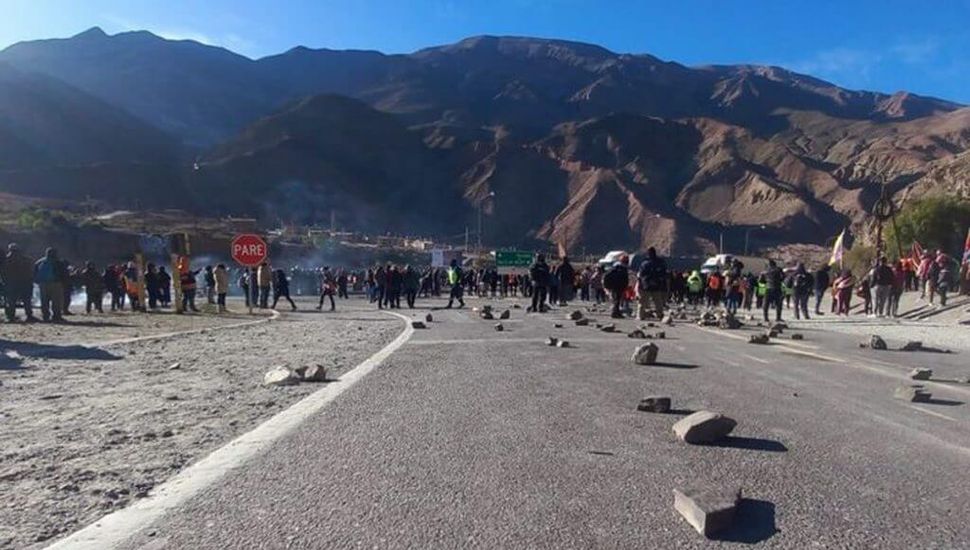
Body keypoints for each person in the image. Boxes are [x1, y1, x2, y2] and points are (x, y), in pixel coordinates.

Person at [1, 243, 35, 322]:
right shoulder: (26, 259)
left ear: (10, 250)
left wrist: (4, 281)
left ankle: (11, 316)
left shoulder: (6, 260)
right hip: (24, 283)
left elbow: (3, 272)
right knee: (26, 300)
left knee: (11, 301)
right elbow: (30, 271)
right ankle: (29, 315)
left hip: (11, 283)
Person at [635, 247, 668, 320]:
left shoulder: (644, 263)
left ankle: (640, 315)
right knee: (658, 301)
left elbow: (641, 274)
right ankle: (660, 315)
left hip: (646, 285)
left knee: (642, 302)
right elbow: (664, 274)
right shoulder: (660, 262)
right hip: (657, 284)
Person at [34, 247, 64, 322]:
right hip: (55, 283)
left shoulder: (39, 262)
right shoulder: (58, 262)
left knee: (44, 301)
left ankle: (45, 316)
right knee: (56, 301)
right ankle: (56, 316)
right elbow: (63, 273)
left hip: (42, 284)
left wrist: (37, 281)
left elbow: (34, 272)